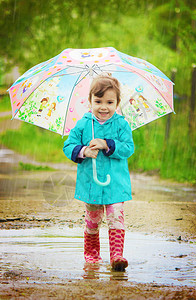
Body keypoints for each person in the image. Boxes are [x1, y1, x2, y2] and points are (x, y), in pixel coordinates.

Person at [63, 74, 134, 271]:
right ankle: (92, 255)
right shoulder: (84, 124)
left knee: (115, 217)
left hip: (115, 183)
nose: (104, 107)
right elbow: (68, 146)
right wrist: (83, 151)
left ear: (118, 103)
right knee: (92, 221)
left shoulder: (121, 125)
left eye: (110, 102)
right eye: (98, 101)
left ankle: (117, 256)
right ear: (89, 101)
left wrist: (107, 144)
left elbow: (129, 147)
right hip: (91, 183)